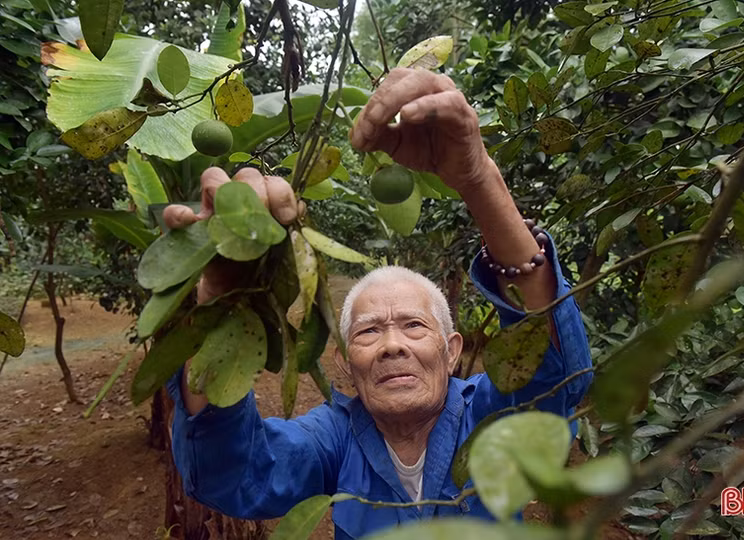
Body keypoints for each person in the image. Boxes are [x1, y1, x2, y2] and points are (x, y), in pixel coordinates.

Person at [164, 68, 592, 539]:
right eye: (368, 331)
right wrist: (218, 304)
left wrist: (477, 178)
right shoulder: (334, 438)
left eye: (413, 326)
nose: (392, 345)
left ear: (452, 351)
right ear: (348, 361)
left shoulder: (487, 418)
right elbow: (234, 473)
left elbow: (556, 375)